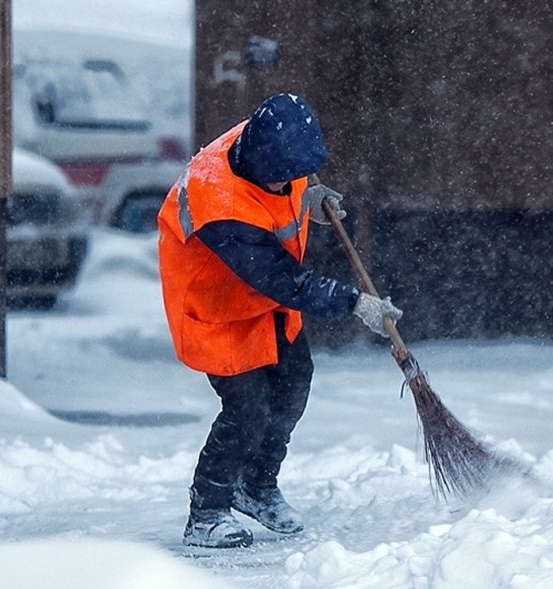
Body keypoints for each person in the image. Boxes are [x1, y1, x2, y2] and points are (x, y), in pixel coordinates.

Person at [157, 92, 403, 549]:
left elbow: (278, 205)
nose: (290, 182)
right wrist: (354, 303)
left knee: (293, 383)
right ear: (258, 164)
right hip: (216, 307)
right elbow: (282, 279)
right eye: (284, 178)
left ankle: (255, 485)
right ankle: (206, 513)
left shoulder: (263, 144)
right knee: (247, 409)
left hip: (262, 300)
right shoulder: (220, 205)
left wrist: (304, 195)